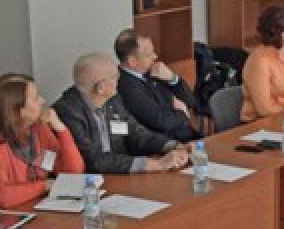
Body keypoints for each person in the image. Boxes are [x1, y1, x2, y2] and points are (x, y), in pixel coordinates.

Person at [52, 52, 189, 175]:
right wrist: (155, 164)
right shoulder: (67, 112)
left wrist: (175, 146)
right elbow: (94, 160)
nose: (119, 79)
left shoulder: (113, 101)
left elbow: (136, 133)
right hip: (91, 183)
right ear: (100, 88)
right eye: (114, 76)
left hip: (121, 174)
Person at [0, 74, 85, 208]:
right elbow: (3, 197)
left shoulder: (38, 128)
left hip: (33, 205)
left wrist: (61, 129)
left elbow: (73, 173)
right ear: (18, 110)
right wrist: (44, 186)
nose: (43, 100)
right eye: (36, 98)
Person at [114, 29, 200, 142]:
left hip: (185, 134)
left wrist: (173, 78)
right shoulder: (126, 86)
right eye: (149, 54)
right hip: (167, 144)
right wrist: (183, 112)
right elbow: (161, 122)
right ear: (132, 61)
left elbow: (190, 100)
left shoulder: (153, 71)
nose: (155, 56)